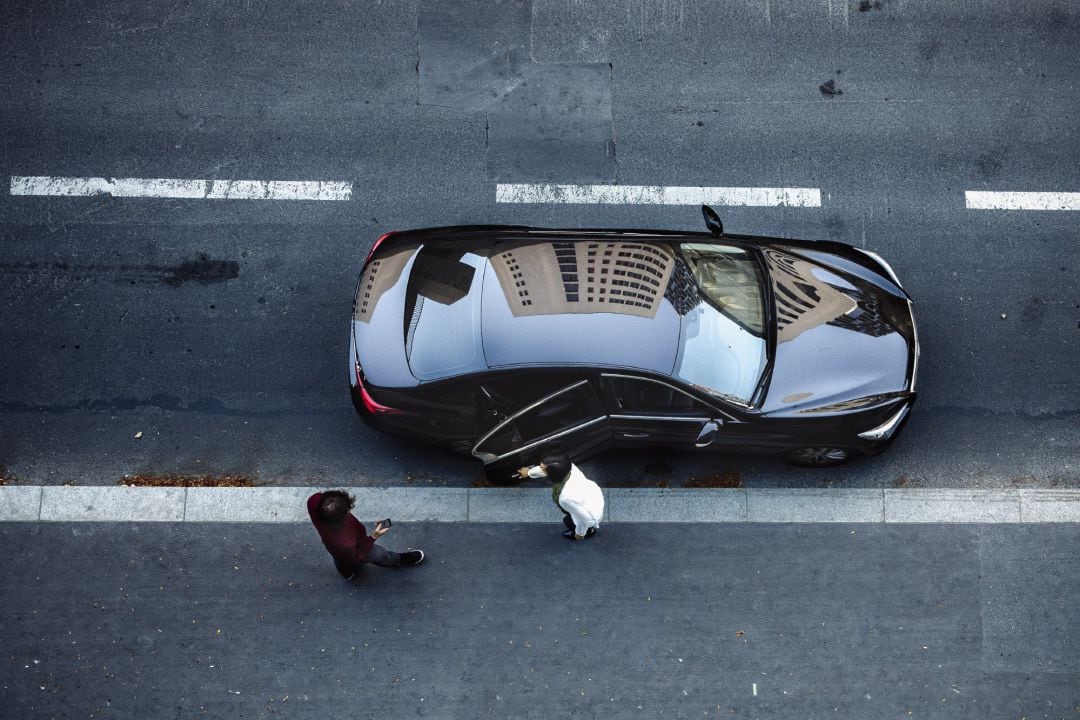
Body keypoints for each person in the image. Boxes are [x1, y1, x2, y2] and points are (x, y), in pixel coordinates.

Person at [307, 490, 424, 579]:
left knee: (340, 558)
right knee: (379, 555)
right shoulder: (345, 543)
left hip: (333, 545)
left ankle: (347, 572)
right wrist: (374, 536)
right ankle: (400, 559)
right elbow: (357, 556)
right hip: (354, 547)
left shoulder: (313, 502)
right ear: (342, 517)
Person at [518, 452, 604, 540]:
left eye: (542, 468)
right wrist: (529, 472)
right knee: (574, 513)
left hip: (592, 514)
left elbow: (583, 518)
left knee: (568, 521)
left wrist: (580, 533)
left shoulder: (566, 498)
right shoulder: (568, 466)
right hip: (593, 497)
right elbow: (547, 470)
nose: (540, 469)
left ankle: (589, 531)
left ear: (553, 473)